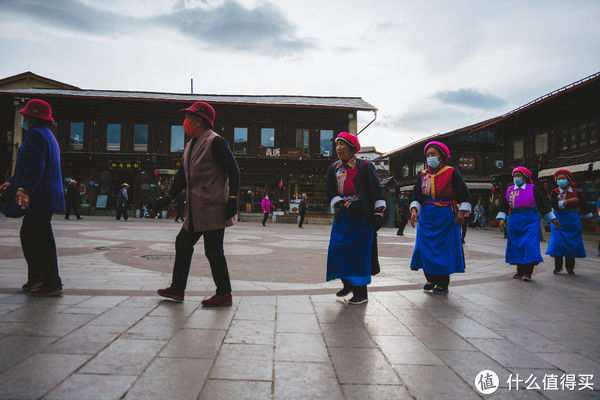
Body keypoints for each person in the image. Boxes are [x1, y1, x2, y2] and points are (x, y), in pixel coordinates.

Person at [155, 101, 239, 306]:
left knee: (213, 250)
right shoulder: (191, 144)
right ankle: (177, 288)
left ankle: (224, 294)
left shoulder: (215, 142)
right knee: (183, 243)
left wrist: (233, 199)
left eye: (188, 118)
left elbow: (234, 170)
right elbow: (182, 174)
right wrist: (169, 197)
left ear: (199, 121)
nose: (185, 122)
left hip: (214, 208)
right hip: (195, 209)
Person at [0, 99, 65, 296]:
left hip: (41, 196)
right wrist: (13, 181)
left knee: (39, 237)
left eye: (26, 115)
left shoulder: (36, 135)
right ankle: (38, 277)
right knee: (32, 235)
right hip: (45, 195)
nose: (24, 117)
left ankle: (51, 281)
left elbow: (36, 165)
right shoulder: (48, 135)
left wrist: (25, 189)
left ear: (33, 116)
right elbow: (29, 164)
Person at [326, 132, 386, 304]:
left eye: (342, 144)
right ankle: (348, 283)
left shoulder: (365, 167)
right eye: (337, 145)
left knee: (358, 255)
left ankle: (361, 293)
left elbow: (377, 190)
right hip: (343, 217)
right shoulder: (334, 168)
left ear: (352, 148)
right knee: (337, 250)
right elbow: (330, 191)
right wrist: (341, 203)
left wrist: (378, 212)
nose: (338, 148)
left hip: (361, 217)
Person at [409, 141, 471, 294]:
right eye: (428, 155)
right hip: (427, 217)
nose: (430, 157)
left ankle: (443, 283)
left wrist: (462, 213)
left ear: (441, 157)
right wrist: (414, 210)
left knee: (442, 250)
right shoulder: (423, 175)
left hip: (446, 217)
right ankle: (430, 278)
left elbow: (465, 195)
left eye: (433, 154)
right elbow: (417, 195)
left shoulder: (452, 172)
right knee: (424, 249)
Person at [496, 167, 559, 281]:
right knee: (517, 246)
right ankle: (520, 271)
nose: (516, 178)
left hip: (530, 220)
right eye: (515, 176)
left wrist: (552, 219)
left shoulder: (533, 188)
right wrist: (502, 219)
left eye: (519, 176)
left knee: (529, 246)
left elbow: (542, 205)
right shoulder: (510, 190)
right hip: (514, 221)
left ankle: (528, 272)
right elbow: (504, 206)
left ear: (525, 178)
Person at [546, 170, 593, 275]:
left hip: (572, 220)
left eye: (563, 178)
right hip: (558, 220)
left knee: (571, 244)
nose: (561, 180)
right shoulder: (554, 192)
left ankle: (570, 267)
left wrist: (589, 217)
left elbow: (584, 205)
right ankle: (558, 267)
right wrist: (568, 202)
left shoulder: (576, 192)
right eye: (559, 179)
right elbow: (553, 204)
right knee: (558, 243)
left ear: (568, 180)